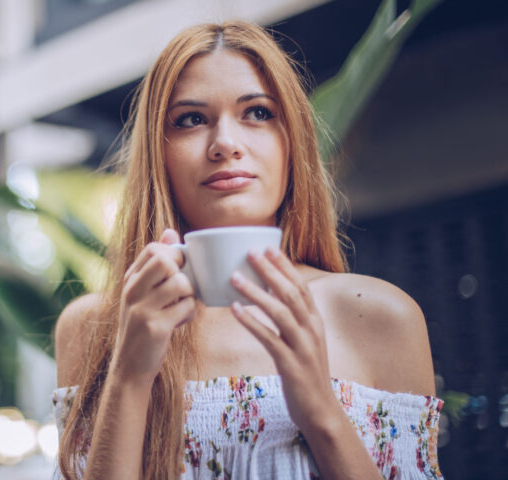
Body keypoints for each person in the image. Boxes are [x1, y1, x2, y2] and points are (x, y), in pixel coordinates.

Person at [52, 20, 442, 480]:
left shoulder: (382, 317)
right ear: (159, 152)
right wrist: (129, 377)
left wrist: (320, 410)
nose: (225, 144)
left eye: (257, 112)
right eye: (191, 119)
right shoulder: (93, 326)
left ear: (291, 140)